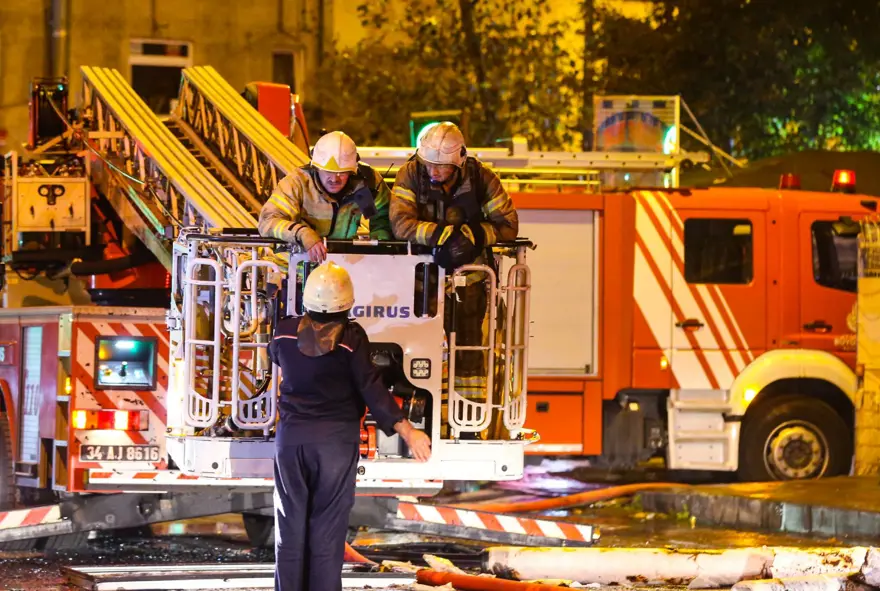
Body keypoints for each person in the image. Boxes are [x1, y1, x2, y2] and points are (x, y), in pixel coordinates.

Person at [270, 261, 431, 591]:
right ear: (347, 303)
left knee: (290, 527)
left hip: (292, 442)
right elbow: (371, 387)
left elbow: (276, 356)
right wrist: (407, 429)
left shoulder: (284, 333)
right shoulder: (352, 340)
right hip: (334, 446)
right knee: (326, 531)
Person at [390, 122, 518, 404]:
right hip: (421, 282)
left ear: (459, 162)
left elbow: (508, 225)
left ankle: (469, 417)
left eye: (441, 167)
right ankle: (417, 411)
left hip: (469, 281)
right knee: (415, 347)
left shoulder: (483, 178)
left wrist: (473, 236)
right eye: (429, 164)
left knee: (470, 349)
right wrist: (441, 236)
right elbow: (400, 224)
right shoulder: (411, 173)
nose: (433, 171)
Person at [259, 131, 392, 263]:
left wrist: (378, 249)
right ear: (316, 167)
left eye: (342, 173)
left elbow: (384, 218)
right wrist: (303, 233)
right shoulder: (297, 183)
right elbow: (268, 221)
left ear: (352, 170)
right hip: (292, 269)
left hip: (340, 270)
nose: (334, 179)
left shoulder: (367, 183)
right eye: (328, 172)